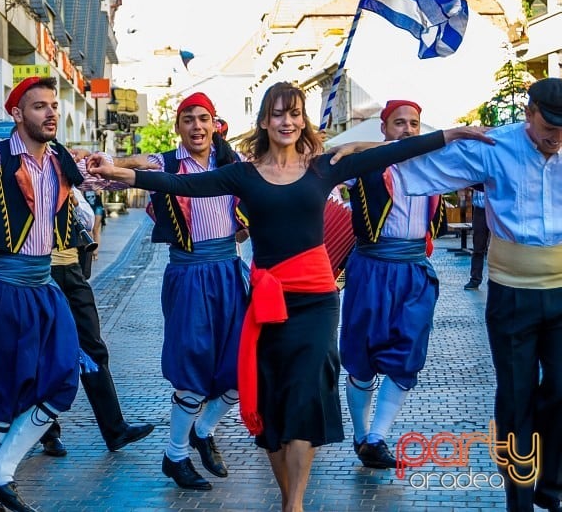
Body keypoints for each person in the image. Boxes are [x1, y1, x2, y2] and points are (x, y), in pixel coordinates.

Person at [86, 81, 492, 512]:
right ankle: (286, 498)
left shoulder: (323, 168)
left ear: (303, 120)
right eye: (278, 114)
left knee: (304, 395)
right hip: (267, 303)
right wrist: (117, 172)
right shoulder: (242, 174)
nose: (287, 121)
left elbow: (389, 152)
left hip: (316, 300)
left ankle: (294, 504)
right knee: (273, 404)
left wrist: (450, 134)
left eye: (295, 113)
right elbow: (176, 183)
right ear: (264, 121)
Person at [394, 77, 562, 512]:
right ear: (529, 114)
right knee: (515, 396)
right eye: (550, 126)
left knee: (561, 389)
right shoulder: (495, 145)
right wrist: (366, 156)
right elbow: (422, 166)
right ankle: (520, 497)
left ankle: (552, 479)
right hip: (511, 294)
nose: (555, 137)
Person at [0, 76, 119, 512]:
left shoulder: (62, 159)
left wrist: (138, 167)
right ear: (17, 114)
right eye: (39, 106)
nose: (50, 113)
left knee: (63, 376)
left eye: (53, 105)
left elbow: (108, 178)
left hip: (42, 286)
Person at [116, 92, 251, 491]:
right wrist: (106, 164)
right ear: (178, 127)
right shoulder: (167, 162)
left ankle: (204, 430)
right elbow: (135, 164)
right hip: (189, 273)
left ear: (214, 124)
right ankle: (175, 456)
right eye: (188, 119)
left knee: (242, 364)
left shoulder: (233, 162)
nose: (196, 126)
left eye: (203, 118)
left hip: (229, 269)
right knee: (192, 367)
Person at [339, 99, 448, 470]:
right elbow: (331, 159)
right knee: (361, 356)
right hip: (371, 266)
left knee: (407, 357)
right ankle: (359, 434)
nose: (407, 130)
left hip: (415, 269)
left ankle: (377, 437)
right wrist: (361, 148)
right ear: (383, 129)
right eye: (399, 123)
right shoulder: (364, 166)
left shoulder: (431, 166)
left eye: (414, 124)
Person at [38, 187, 155, 458]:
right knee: (45, 353)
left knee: (93, 347)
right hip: (40, 272)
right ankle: (47, 432)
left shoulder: (63, 176)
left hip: (71, 269)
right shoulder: (25, 177)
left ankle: (115, 429)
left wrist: (74, 197)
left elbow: (88, 219)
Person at [465, 185, 490, 290]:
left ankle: (497, 280)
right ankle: (475, 279)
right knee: (478, 246)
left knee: (498, 247)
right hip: (480, 210)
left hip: (496, 209)